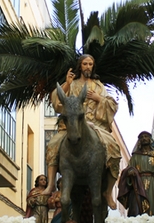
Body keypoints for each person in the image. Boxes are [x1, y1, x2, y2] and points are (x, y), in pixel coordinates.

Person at [45, 55, 122, 211]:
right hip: (73, 125)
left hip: (95, 126)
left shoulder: (99, 86)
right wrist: (67, 84)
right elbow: (57, 102)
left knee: (114, 149)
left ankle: (108, 192)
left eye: (90, 64)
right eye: (85, 64)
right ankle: (51, 183)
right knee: (53, 144)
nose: (88, 66)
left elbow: (112, 105)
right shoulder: (72, 84)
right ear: (80, 66)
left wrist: (99, 98)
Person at [119, 131, 154, 215]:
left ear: (150, 139)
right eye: (141, 137)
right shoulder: (135, 156)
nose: (144, 138)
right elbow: (128, 169)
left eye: (146, 136)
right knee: (138, 208)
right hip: (139, 184)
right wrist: (130, 172)